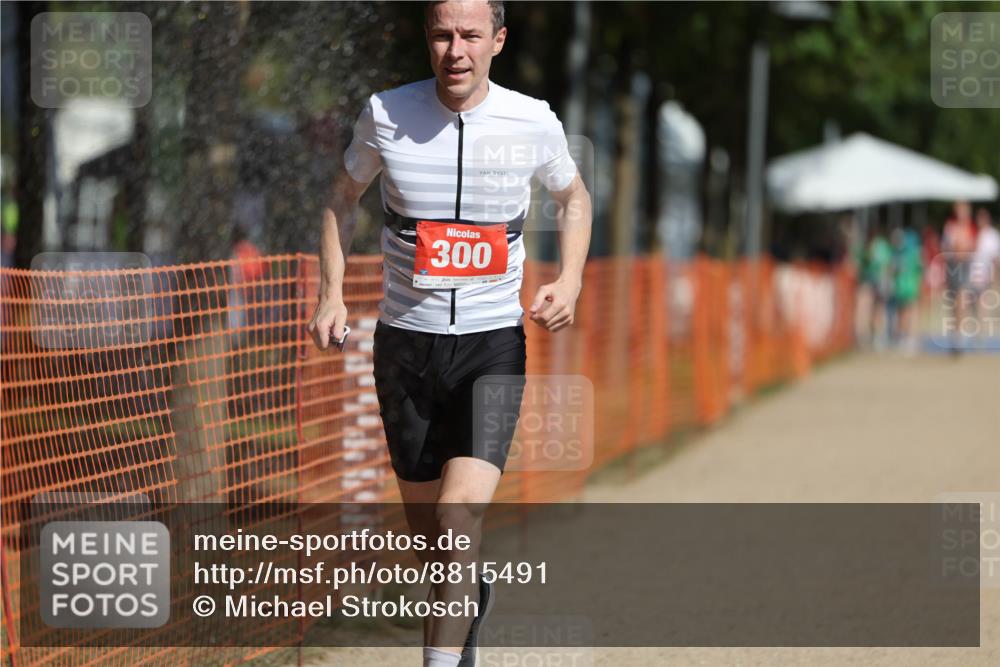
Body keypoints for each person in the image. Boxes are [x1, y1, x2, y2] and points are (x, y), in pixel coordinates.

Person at [307, 2, 592, 666]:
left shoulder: (532, 120)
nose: (455, 50)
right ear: (427, 39)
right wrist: (330, 294)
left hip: (492, 343)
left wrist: (570, 279)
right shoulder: (387, 113)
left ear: (498, 40)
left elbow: (573, 197)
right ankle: (470, 601)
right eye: (442, 35)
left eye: (470, 35)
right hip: (405, 345)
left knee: (458, 517)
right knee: (432, 540)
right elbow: (341, 197)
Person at [941, 201, 977, 352]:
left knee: (962, 300)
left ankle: (960, 336)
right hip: (953, 267)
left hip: (965, 267)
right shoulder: (951, 226)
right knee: (954, 302)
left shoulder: (971, 227)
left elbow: (973, 247)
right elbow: (946, 246)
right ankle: (955, 335)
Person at [968, 207, 999, 340]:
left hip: (984, 274)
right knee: (971, 304)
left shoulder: (992, 236)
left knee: (982, 303)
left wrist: (994, 275)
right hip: (970, 274)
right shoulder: (973, 232)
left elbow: (995, 258)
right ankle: (975, 329)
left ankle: (980, 333)